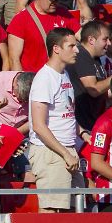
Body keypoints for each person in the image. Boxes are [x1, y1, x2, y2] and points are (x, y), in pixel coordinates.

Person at [28, 29, 83, 212]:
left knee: (76, 212)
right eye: (71, 46)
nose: (76, 50)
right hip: (52, 152)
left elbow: (66, 112)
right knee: (51, 215)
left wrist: (82, 133)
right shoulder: (44, 78)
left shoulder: (63, 74)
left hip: (67, 150)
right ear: (56, 49)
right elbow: (39, 125)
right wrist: (65, 154)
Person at [8, 0, 81, 73]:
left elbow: (82, 37)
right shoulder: (21, 19)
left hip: (61, 77)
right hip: (34, 79)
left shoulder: (64, 13)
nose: (55, 2)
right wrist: (22, 83)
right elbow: (14, 60)